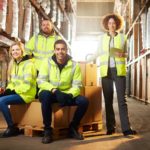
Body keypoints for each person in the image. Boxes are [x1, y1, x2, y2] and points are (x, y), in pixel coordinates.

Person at [88, 14, 136, 136]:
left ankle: (126, 128)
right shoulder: (102, 38)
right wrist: (88, 59)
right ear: (106, 25)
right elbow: (98, 52)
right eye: (109, 23)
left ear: (117, 24)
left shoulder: (123, 38)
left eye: (114, 23)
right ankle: (110, 127)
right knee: (108, 100)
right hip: (106, 72)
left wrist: (122, 55)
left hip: (119, 71)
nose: (111, 25)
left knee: (121, 100)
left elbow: (127, 55)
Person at [37, 39, 89, 144]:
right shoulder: (46, 63)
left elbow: (77, 85)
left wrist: (69, 94)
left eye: (63, 49)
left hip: (66, 94)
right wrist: (54, 90)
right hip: (50, 92)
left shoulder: (74, 65)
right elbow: (41, 81)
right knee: (46, 96)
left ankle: (73, 127)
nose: (60, 51)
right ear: (54, 51)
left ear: (66, 50)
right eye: (58, 49)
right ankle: (47, 130)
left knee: (84, 101)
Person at [0, 41, 37, 137]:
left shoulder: (29, 64)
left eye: (17, 49)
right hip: (18, 92)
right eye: (13, 50)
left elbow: (27, 85)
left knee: (2, 101)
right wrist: (8, 90)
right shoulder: (14, 64)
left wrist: (13, 91)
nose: (15, 52)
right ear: (10, 52)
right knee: (1, 97)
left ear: (22, 51)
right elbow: (12, 82)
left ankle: (11, 127)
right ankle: (11, 126)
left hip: (27, 94)